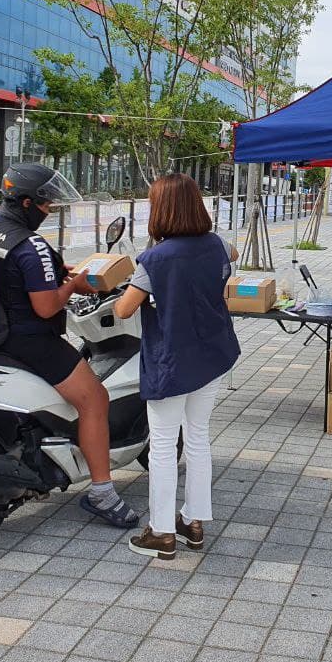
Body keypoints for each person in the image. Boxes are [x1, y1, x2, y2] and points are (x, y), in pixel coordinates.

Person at [0, 164, 139, 528]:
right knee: (95, 399)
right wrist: (74, 287)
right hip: (29, 340)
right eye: (45, 205)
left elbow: (10, 275)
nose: (48, 211)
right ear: (26, 202)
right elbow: (45, 305)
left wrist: (58, 271)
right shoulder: (32, 245)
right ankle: (103, 492)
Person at [114, 173, 240, 559]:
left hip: (172, 360)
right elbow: (231, 255)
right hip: (212, 355)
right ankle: (194, 522)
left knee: (164, 446)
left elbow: (123, 309)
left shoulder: (154, 260)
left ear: (161, 211)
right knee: (198, 437)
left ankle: (162, 532)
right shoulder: (216, 245)